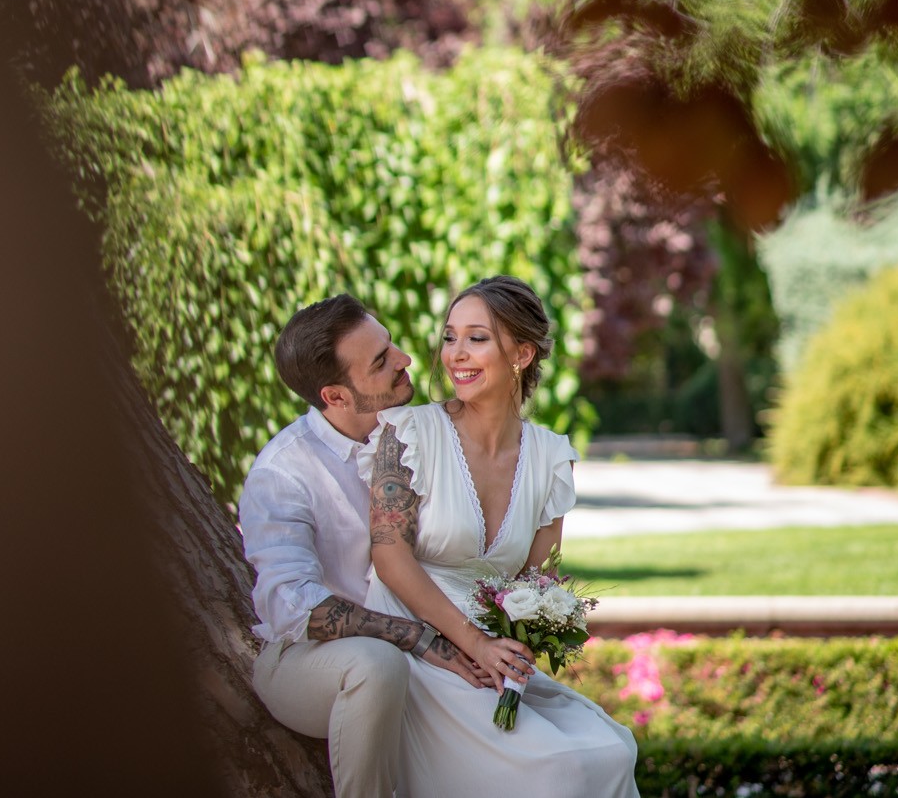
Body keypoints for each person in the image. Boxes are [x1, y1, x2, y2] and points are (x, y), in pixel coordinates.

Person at [360, 276, 639, 797]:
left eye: (476, 338)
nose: (455, 354)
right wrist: (475, 644)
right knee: (556, 769)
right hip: (419, 639)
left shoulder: (551, 459)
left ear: (522, 354)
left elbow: (535, 583)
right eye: (449, 337)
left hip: (496, 655)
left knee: (612, 750)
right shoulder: (409, 434)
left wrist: (516, 645)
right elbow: (390, 557)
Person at [240, 294, 498, 798]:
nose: (404, 359)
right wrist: (415, 636)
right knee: (375, 665)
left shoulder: (426, 433)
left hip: (432, 649)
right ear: (335, 396)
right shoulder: (284, 473)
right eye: (381, 362)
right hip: (308, 662)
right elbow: (289, 605)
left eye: (391, 345)